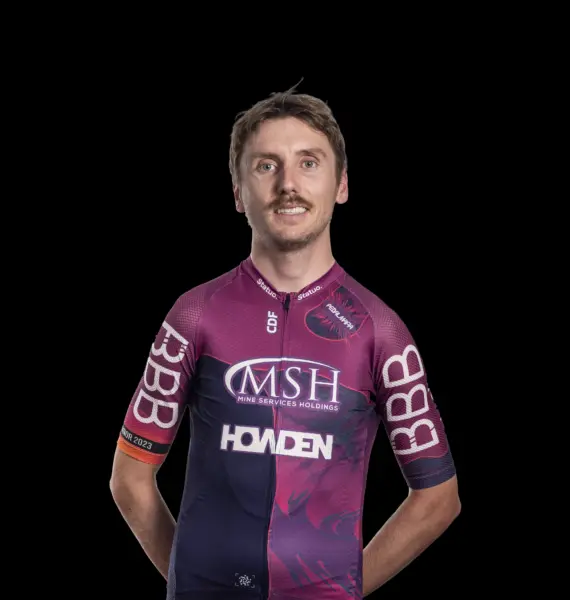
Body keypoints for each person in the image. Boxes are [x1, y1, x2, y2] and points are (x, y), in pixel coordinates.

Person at [110, 85, 461, 600]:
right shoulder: (194, 315)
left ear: (342, 184)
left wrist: (345, 588)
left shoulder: (379, 330)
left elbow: (439, 496)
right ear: (238, 192)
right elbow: (129, 476)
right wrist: (187, 581)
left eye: (309, 163)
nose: (288, 184)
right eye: (266, 166)